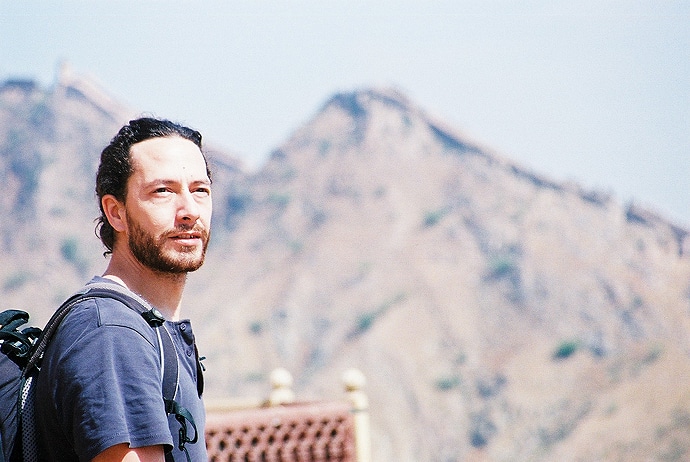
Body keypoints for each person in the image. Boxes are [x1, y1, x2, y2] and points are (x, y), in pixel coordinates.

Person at [35, 117, 212, 461]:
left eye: (200, 190)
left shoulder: (146, 327)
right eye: (164, 191)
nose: (189, 211)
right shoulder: (110, 331)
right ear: (116, 213)